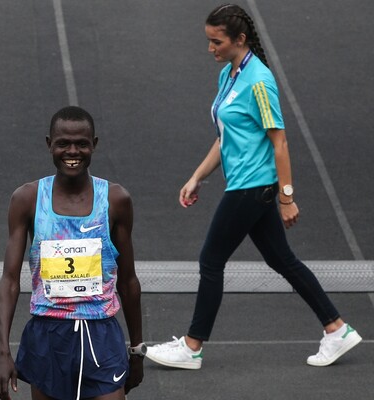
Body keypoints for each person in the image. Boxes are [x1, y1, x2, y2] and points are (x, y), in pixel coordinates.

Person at [146, 3, 361, 370]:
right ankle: (336, 329)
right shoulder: (228, 74)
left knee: (211, 261)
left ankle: (192, 347)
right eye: (209, 41)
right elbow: (225, 138)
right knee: (282, 260)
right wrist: (198, 176)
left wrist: (286, 197)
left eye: (216, 42)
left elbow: (280, 142)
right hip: (246, 185)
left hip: (252, 187)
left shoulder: (259, 82)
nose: (210, 48)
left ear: (239, 40)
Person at [0, 106, 144, 400]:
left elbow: (128, 282)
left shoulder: (115, 200)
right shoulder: (27, 199)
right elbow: (9, 281)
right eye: (63, 143)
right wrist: (1, 352)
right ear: (49, 143)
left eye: (81, 144)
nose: (72, 151)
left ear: (94, 145)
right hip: (49, 336)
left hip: (101, 334)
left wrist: (137, 351)